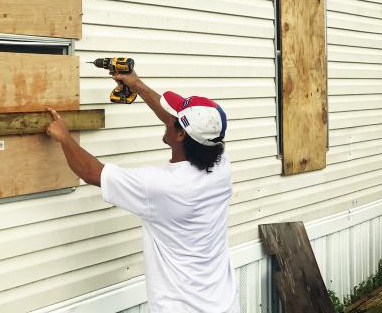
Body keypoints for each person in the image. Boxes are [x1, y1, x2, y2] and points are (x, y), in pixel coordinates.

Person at [45, 70, 239, 313]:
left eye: (174, 118)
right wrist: (136, 85)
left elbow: (92, 173)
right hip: (224, 303)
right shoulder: (221, 165)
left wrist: (64, 137)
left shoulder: (161, 186)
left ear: (180, 135)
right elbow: (176, 122)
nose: (168, 118)